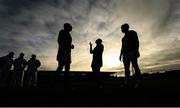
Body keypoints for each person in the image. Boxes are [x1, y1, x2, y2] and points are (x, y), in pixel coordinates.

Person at [56, 23, 74, 88]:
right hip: (62, 52)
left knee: (67, 68)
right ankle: (56, 83)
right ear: (67, 27)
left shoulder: (69, 35)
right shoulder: (62, 32)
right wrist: (68, 46)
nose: (71, 29)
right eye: (70, 27)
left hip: (68, 53)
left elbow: (67, 43)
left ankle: (66, 84)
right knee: (60, 67)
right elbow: (60, 41)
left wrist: (70, 46)